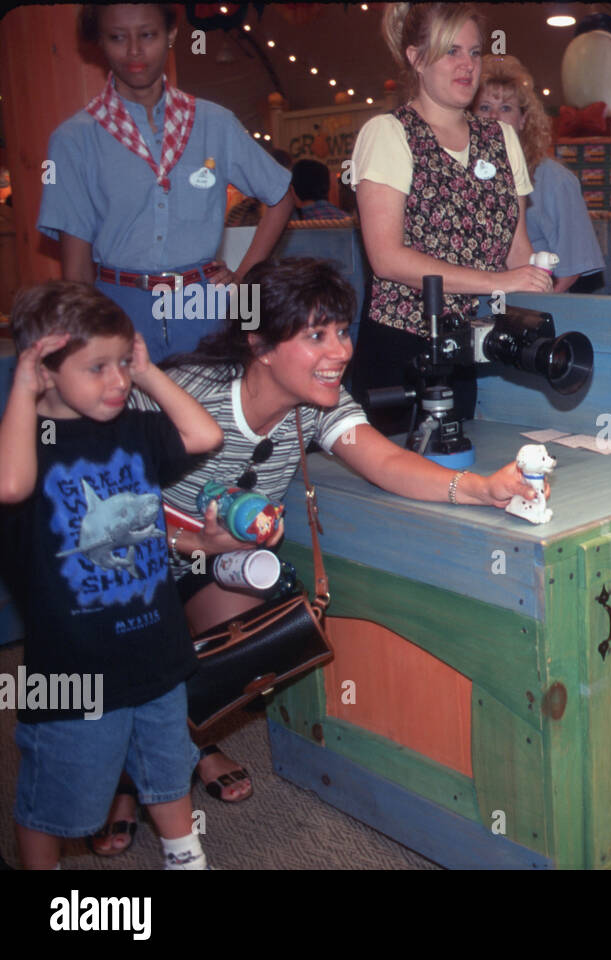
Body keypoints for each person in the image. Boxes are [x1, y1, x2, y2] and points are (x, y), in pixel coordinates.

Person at [97, 256, 546, 835]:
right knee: (130, 650)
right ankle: (126, 774)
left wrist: (481, 488)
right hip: (130, 548)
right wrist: (188, 542)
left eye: (340, 331)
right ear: (259, 344)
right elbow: (96, 499)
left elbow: (385, 461)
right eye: (315, 335)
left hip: (214, 555)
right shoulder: (185, 396)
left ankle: (185, 741)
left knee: (238, 652)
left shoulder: (316, 403)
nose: (340, 350)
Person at [0, 281, 224, 869]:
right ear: (43, 372)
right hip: (76, 672)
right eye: (97, 367)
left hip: (157, 650)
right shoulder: (26, 445)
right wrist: (21, 395)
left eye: (123, 363)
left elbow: (205, 436)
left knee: (169, 768)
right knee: (57, 800)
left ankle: (186, 858)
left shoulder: (134, 427)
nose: (118, 381)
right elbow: (11, 487)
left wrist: (148, 374)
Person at [37, 4, 293, 363]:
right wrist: (82, 348)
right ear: (99, 42)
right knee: (130, 416)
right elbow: (77, 272)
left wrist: (245, 276)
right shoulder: (73, 140)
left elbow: (282, 197)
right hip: (117, 305)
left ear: (171, 34)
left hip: (206, 299)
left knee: (216, 411)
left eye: (148, 35)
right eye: (116, 37)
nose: (134, 51)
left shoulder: (213, 123)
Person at [350, 3, 552, 429]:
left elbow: (518, 252)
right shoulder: (389, 133)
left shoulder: (501, 139)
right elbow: (386, 258)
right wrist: (498, 283)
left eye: (475, 53)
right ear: (416, 59)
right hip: (400, 349)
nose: (468, 65)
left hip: (465, 346)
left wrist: (541, 290)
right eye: (452, 52)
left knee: (459, 471)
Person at [473, 54, 604, 293]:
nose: (493, 117)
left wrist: (531, 314)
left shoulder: (556, 181)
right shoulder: (459, 174)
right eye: (484, 107)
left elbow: (569, 273)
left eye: (505, 108)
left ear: (523, 119)